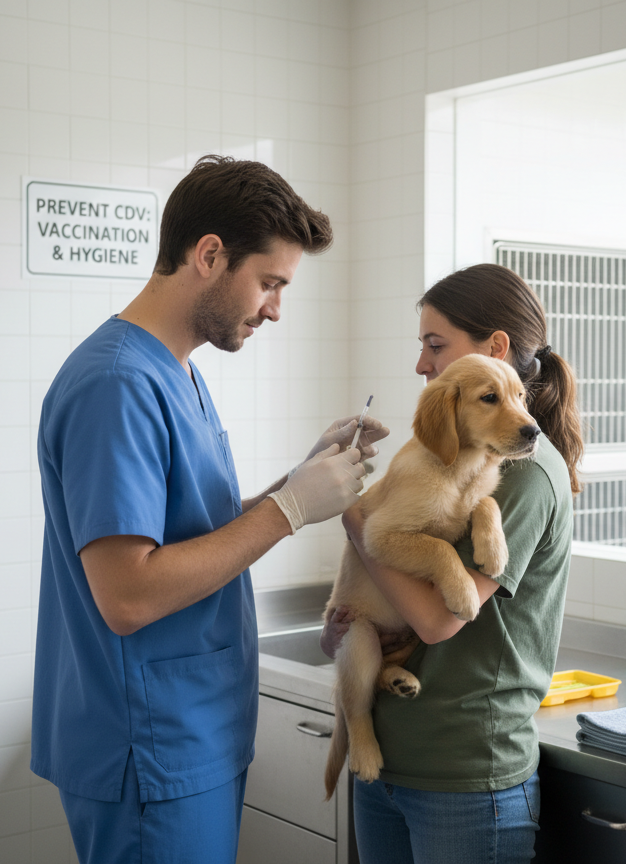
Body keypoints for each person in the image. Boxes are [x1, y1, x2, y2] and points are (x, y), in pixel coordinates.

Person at [31, 155, 388, 864]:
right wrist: (288, 509)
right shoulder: (117, 383)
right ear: (209, 255)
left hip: (190, 733)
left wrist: (300, 480)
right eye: (269, 283)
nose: (275, 309)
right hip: (149, 745)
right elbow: (128, 595)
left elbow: (193, 531)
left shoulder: (176, 369)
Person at [322, 263, 584, 863]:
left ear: (496, 348)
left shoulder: (520, 468)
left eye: (434, 345)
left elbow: (440, 620)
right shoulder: (450, 456)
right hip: (395, 758)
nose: (422, 363)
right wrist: (345, 627)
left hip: (465, 774)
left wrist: (353, 516)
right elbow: (387, 579)